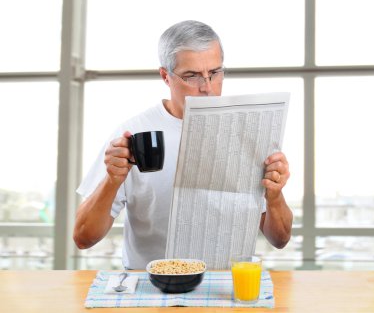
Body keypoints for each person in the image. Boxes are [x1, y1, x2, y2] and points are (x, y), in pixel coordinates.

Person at [74, 20, 293, 269]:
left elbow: (280, 239)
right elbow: (83, 237)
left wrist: (274, 196)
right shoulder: (133, 134)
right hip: (152, 287)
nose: (207, 88)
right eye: (192, 76)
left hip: (224, 287)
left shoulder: (248, 132)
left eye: (215, 73)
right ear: (166, 77)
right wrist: (112, 181)